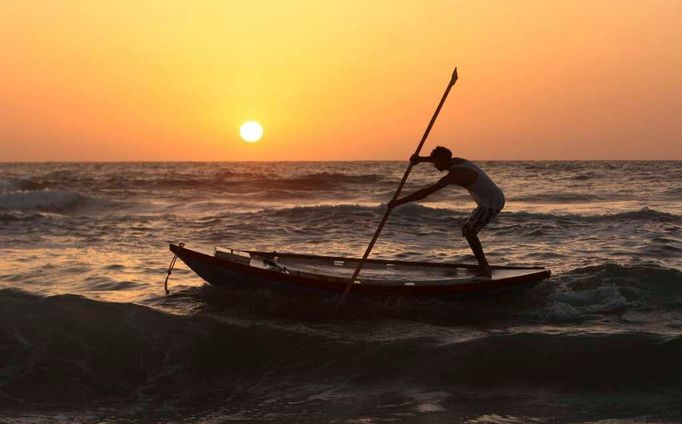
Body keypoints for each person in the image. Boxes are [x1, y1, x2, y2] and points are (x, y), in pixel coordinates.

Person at [387, 146, 505, 278]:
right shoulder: (456, 160)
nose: (434, 165)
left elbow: (426, 192)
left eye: (436, 162)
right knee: (468, 230)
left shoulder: (455, 174)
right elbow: (436, 159)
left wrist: (398, 202)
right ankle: (484, 267)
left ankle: (485, 270)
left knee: (469, 232)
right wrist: (420, 159)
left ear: (444, 159)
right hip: (486, 201)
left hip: (492, 202)